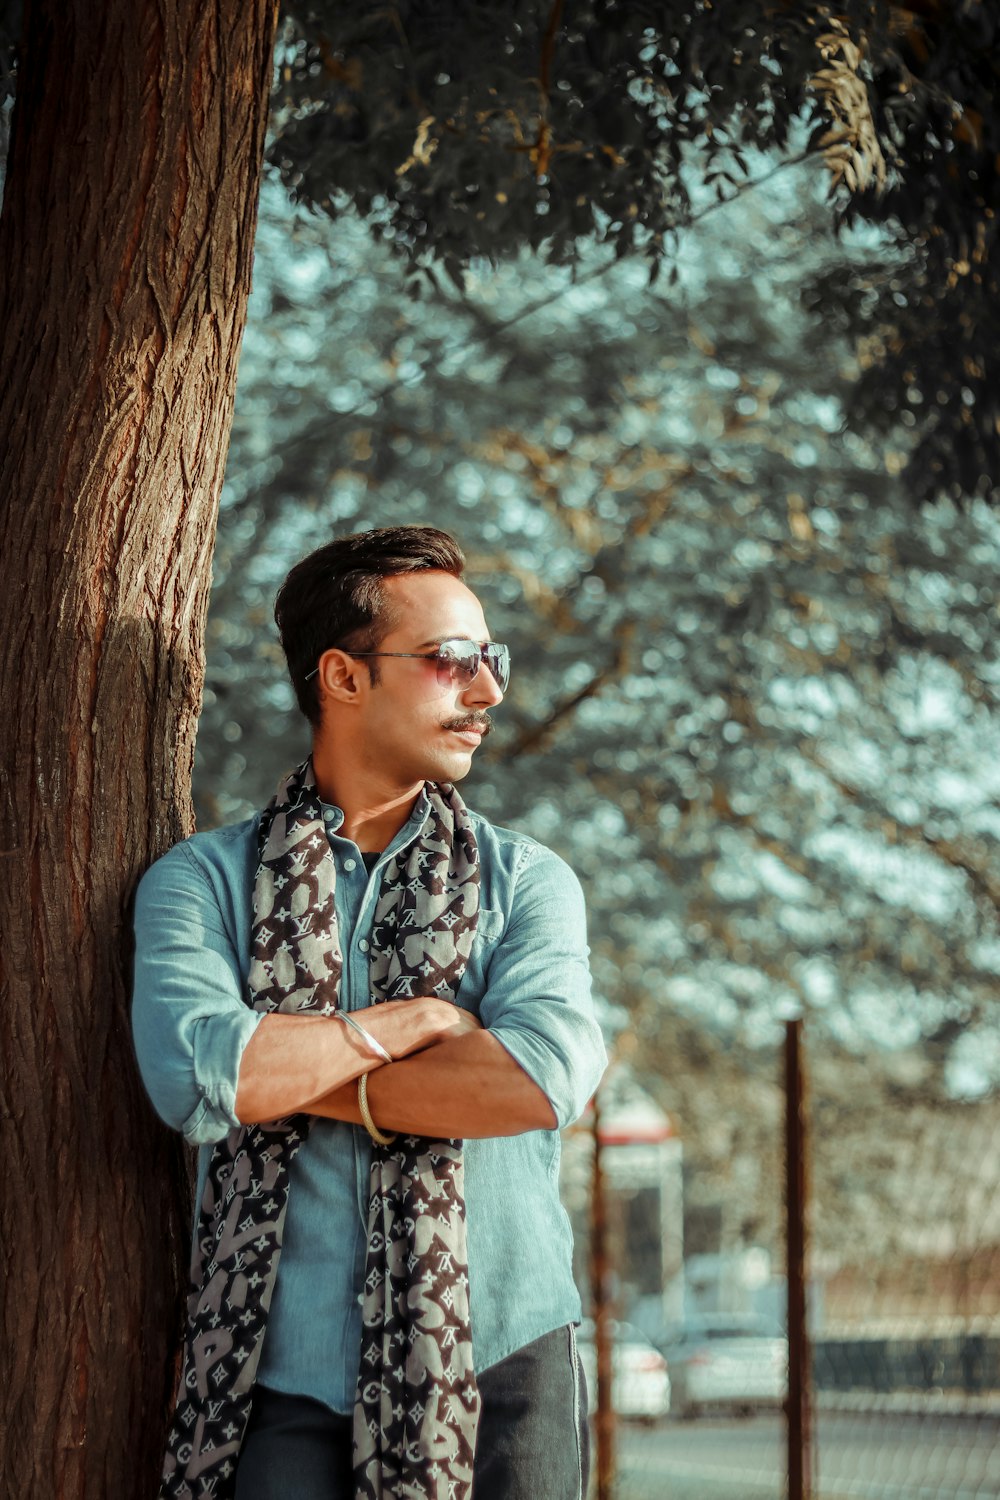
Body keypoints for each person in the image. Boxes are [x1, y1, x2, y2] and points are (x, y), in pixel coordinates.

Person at [132, 526, 607, 1500]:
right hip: (273, 1374)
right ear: (343, 678)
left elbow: (536, 1081)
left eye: (491, 661)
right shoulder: (202, 881)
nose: (487, 691)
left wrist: (286, 1079)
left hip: (503, 1357)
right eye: (450, 661)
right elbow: (194, 1079)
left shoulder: (527, 882)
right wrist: (411, 1022)